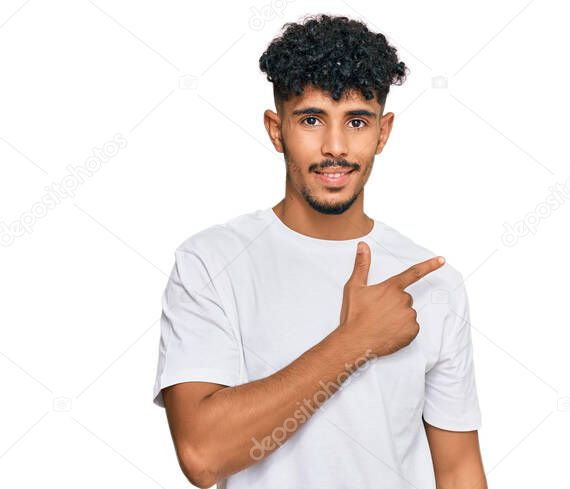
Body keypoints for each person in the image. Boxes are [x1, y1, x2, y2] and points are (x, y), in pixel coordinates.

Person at [151, 14, 486, 489]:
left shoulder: (433, 283)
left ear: (383, 132)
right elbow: (203, 455)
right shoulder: (211, 263)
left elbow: (459, 471)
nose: (335, 147)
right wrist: (354, 342)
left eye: (356, 121)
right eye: (311, 119)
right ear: (275, 129)